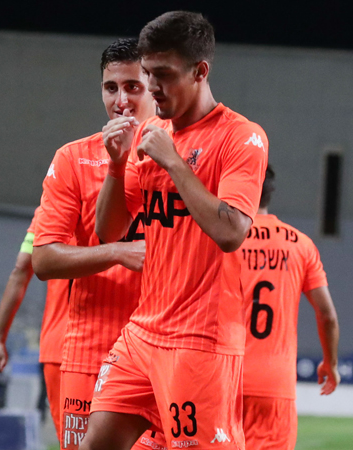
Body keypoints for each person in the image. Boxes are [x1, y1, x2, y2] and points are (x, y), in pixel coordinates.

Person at [88, 11, 268, 450]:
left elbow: (232, 232)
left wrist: (173, 161)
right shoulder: (152, 132)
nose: (152, 86)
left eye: (164, 75)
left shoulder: (241, 137)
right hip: (143, 332)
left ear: (200, 71)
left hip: (200, 341)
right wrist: (116, 165)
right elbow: (109, 231)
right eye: (148, 73)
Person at [30, 38, 156, 450]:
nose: (121, 101)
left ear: (154, 85)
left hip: (161, 351)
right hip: (91, 352)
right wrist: (118, 252)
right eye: (110, 87)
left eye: (133, 87)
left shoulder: (185, 154)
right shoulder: (73, 158)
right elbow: (42, 260)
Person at [240, 166, 340, 449]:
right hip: (275, 383)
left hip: (226, 376)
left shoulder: (224, 240)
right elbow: (327, 316)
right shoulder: (300, 244)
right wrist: (330, 363)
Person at [0, 206, 70, 440]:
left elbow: (21, 270)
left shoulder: (50, 210)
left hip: (62, 347)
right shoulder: (140, 201)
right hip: (129, 344)